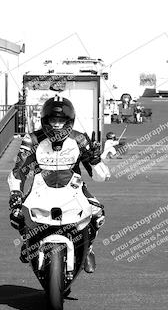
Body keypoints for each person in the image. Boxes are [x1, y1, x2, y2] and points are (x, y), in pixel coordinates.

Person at [7, 95, 110, 274]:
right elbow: (19, 171)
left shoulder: (80, 139)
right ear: (45, 120)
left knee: (98, 213)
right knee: (17, 215)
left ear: (69, 121)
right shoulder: (32, 140)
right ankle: (28, 241)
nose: (56, 124)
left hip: (74, 188)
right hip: (40, 188)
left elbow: (100, 177)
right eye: (53, 120)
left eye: (60, 120)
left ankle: (87, 248)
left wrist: (95, 160)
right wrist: (15, 195)